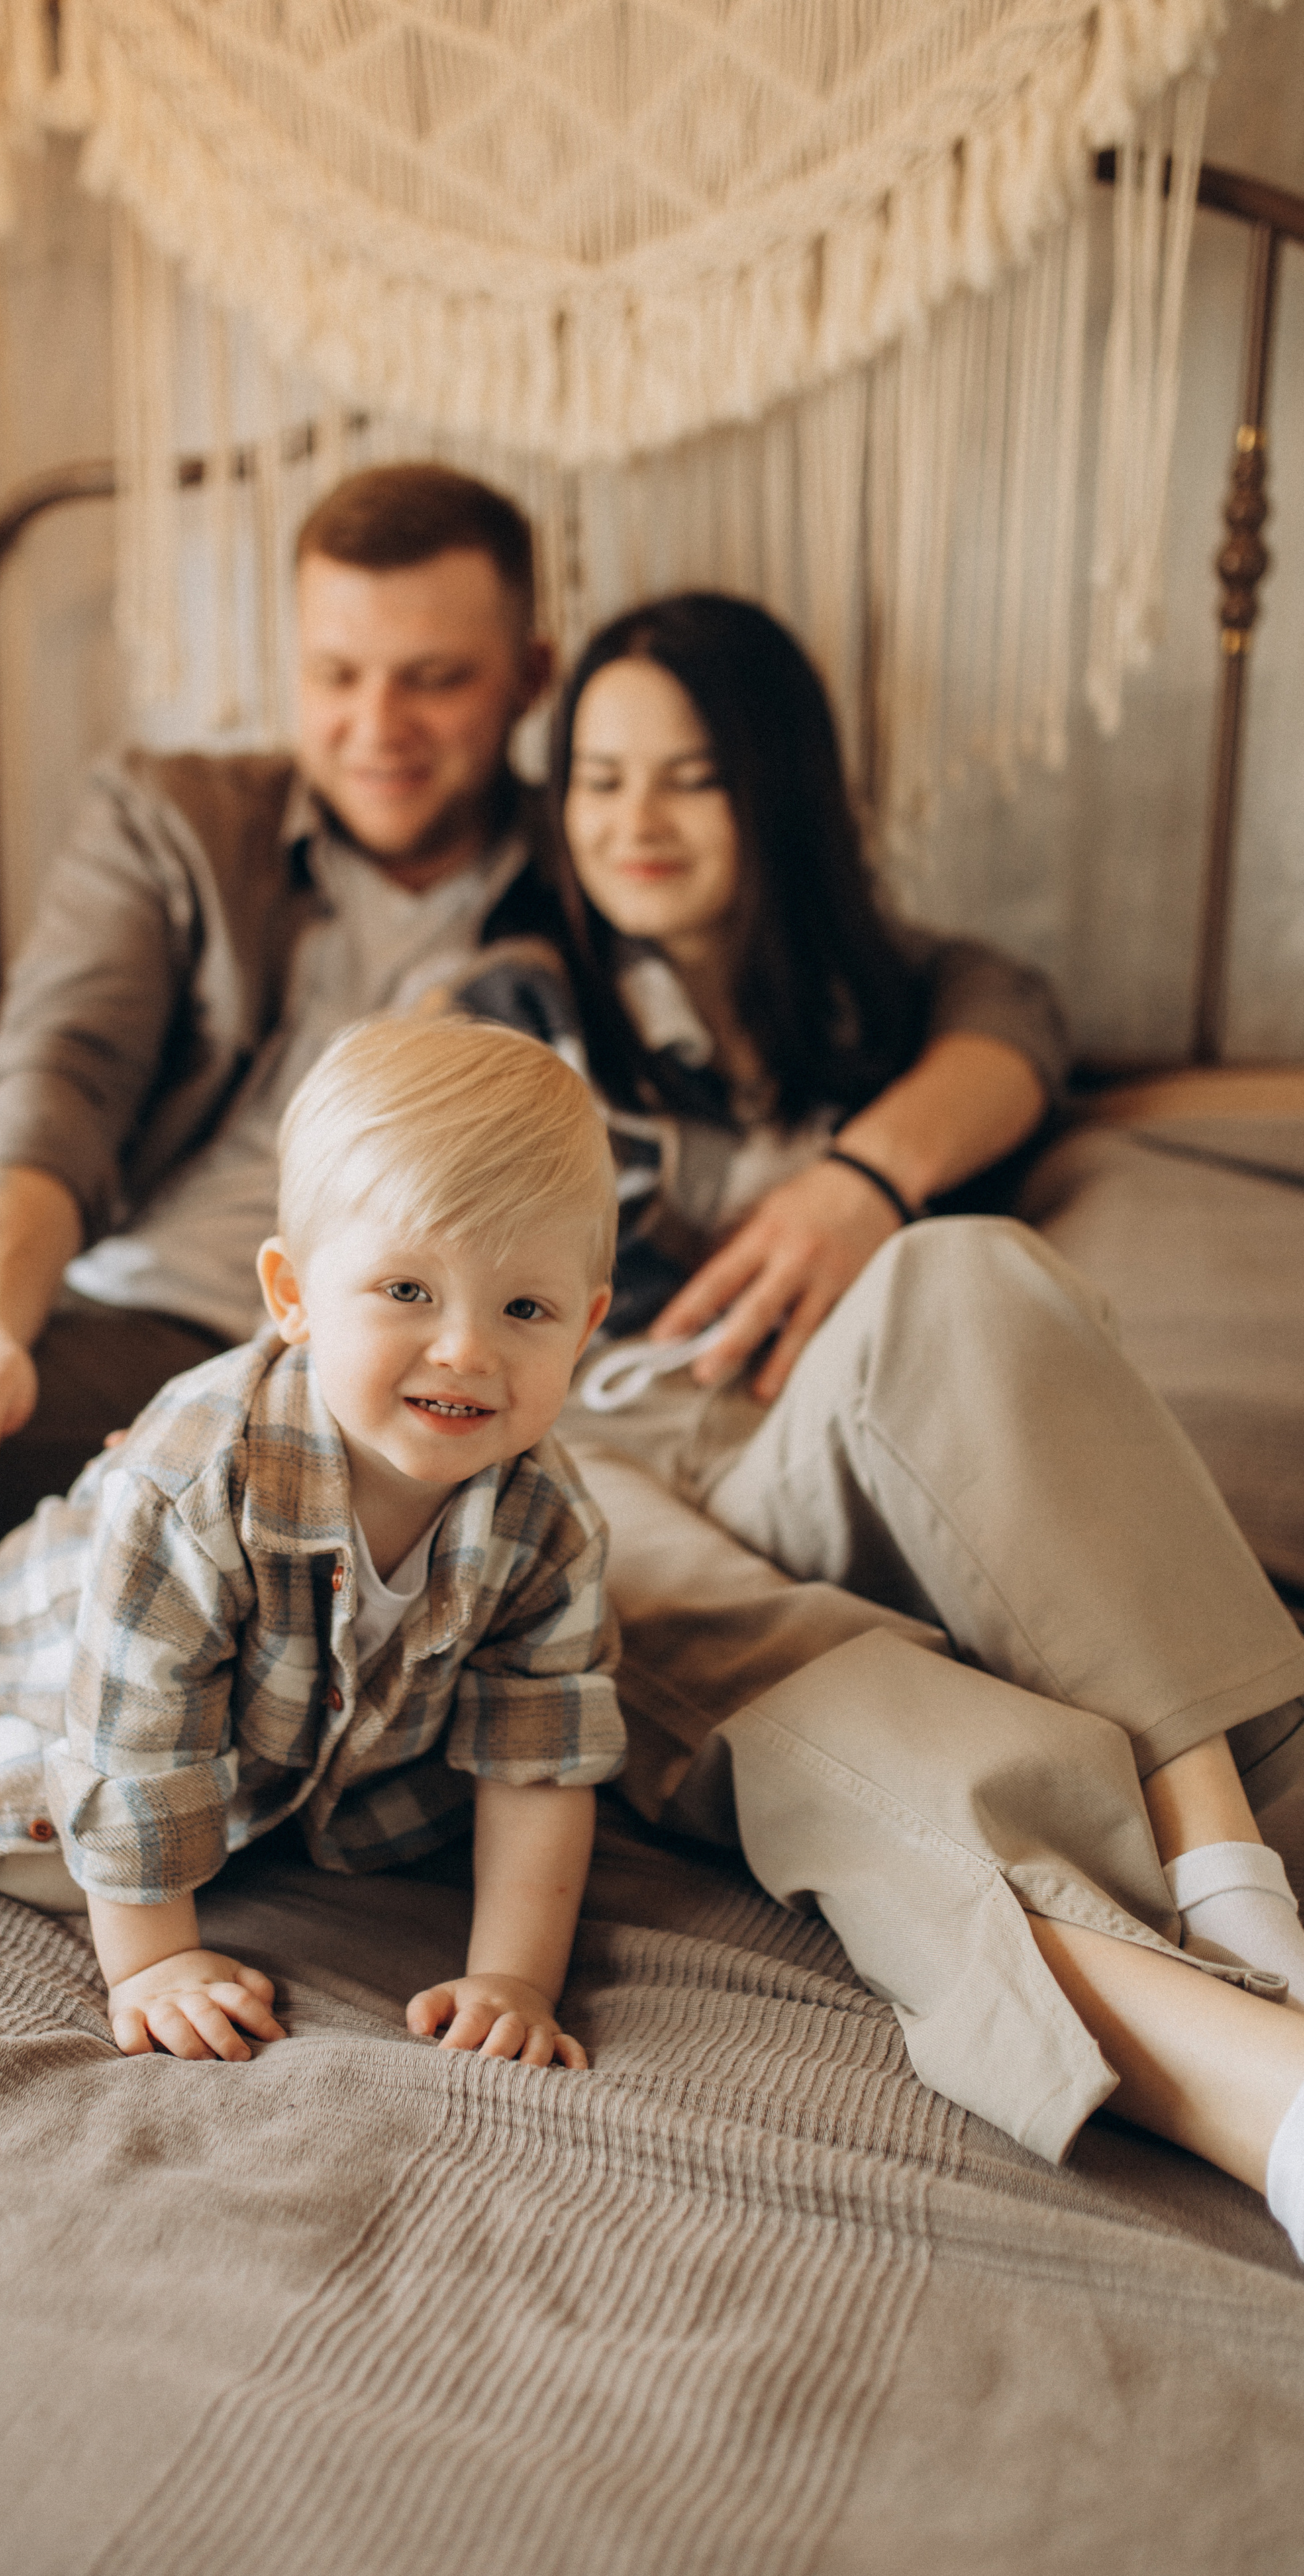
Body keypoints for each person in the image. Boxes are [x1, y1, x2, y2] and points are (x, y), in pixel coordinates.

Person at [0, 468, 1062, 1642]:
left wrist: (866, 1175)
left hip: (291, 1360)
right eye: (336, 674)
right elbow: (51, 1088)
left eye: (434, 679)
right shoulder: (177, 821)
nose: (376, 728)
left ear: (529, 676)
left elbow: (994, 1002)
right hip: (64, 1295)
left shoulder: (600, 857)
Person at [426, 591, 1304, 2248]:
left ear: (777, 788)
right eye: (596, 779)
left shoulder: (897, 996)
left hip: (853, 1454)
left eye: (688, 775)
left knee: (957, 1267)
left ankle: (1230, 1862)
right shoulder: (514, 1006)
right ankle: (1258, 2084)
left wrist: (865, 1177)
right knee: (805, 1667)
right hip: (612, 1460)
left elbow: (1019, 1026)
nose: (631, 819)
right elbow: (391, 1238)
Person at [0, 1020, 625, 2067]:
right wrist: (154, 1965)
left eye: (525, 1307)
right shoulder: (201, 1478)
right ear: (293, 1297)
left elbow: (538, 1764)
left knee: (385, 1829)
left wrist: (515, 1980)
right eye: (407, 1291)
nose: (467, 1348)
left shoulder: (551, 1523)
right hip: (83, 1670)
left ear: (585, 1327)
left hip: (297, 1743)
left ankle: (148, 1794)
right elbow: (132, 1740)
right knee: (57, 1846)